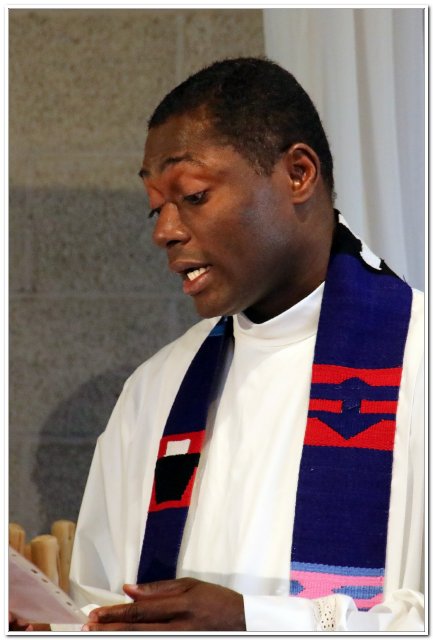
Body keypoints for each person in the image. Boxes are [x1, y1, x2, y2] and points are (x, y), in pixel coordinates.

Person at [54, 57, 425, 631]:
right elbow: (101, 599)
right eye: (156, 207)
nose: (164, 231)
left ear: (298, 174)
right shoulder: (157, 390)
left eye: (193, 195)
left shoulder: (419, 363)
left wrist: (252, 622)